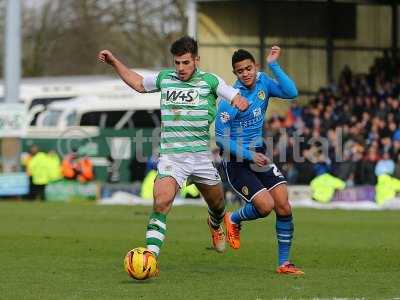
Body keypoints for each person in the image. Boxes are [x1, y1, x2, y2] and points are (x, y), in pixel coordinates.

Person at [97, 36, 249, 271]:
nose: (180, 68)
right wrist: (115, 62)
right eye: (177, 63)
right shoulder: (165, 78)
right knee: (161, 202)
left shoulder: (210, 81)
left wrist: (239, 101)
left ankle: (214, 222)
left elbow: (233, 94)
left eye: (186, 63)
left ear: (196, 60)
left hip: (200, 157)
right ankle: (150, 258)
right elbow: (138, 83)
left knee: (218, 204)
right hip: (172, 157)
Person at [215, 47, 304, 275]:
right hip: (236, 161)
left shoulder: (264, 82)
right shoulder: (230, 99)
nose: (245, 73)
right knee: (265, 207)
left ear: (255, 67)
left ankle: (284, 263)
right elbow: (221, 140)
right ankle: (232, 218)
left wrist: (274, 65)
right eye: (240, 71)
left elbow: (291, 91)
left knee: (283, 203)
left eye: (248, 68)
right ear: (234, 74)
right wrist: (249, 155)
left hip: (258, 155)